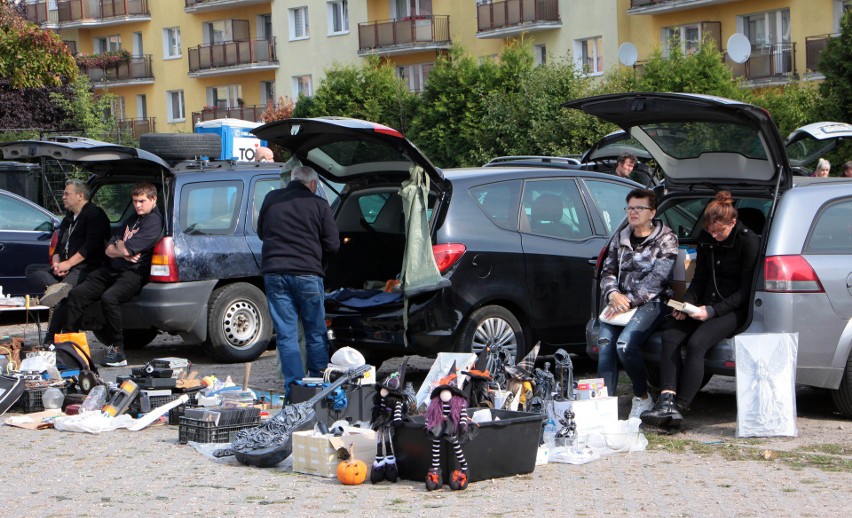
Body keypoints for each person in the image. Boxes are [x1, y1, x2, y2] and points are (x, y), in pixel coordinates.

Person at [641, 191, 759, 429]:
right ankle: (666, 399)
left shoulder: (748, 241)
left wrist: (712, 312)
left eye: (719, 231)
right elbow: (700, 277)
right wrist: (687, 304)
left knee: (697, 343)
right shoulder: (706, 238)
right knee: (671, 334)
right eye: (710, 231)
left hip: (731, 309)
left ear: (732, 223)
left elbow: (746, 291)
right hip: (704, 303)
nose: (714, 236)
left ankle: (681, 407)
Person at [257, 165, 339, 399]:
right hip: (307, 274)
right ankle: (319, 386)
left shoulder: (272, 198)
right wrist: (318, 261)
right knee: (315, 331)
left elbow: (262, 232)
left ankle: (294, 390)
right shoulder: (319, 204)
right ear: (312, 184)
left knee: (286, 334)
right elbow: (333, 244)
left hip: (275, 273)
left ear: (291, 180)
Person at [61, 183, 163, 367]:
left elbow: (127, 247)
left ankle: (117, 350)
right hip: (112, 268)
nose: (138, 205)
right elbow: (110, 246)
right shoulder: (133, 219)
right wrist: (118, 249)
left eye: (142, 201)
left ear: (153, 199)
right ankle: (69, 347)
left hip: (134, 272)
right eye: (135, 201)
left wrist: (121, 248)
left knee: (110, 298)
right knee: (76, 295)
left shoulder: (154, 221)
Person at [598, 188, 678, 419]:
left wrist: (629, 302)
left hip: (653, 302)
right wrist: (613, 294)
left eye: (639, 208)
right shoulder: (620, 236)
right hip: (619, 302)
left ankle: (642, 397)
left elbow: (658, 280)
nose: (633, 212)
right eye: (630, 208)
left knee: (625, 345)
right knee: (604, 343)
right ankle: (604, 406)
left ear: (652, 212)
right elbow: (608, 270)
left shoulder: (666, 239)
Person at [26, 180, 110, 311]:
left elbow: (90, 246)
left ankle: (59, 295)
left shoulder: (95, 214)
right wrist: (57, 264)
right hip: (65, 266)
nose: (63, 197)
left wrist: (69, 264)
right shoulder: (68, 217)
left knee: (65, 300)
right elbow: (58, 247)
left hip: (85, 268)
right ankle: (57, 288)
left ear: (80, 196)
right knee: (32, 269)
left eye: (67, 194)